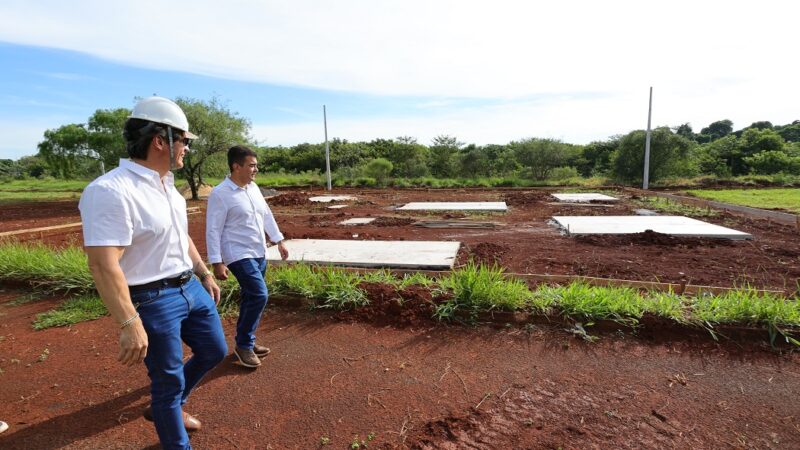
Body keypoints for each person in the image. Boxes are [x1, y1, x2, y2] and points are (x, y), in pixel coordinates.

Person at [79, 96, 227, 450]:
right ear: (160, 140)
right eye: (185, 141)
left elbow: (180, 236)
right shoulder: (111, 191)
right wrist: (129, 323)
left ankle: (173, 408)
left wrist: (204, 273)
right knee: (167, 382)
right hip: (151, 298)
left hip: (189, 286)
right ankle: (174, 430)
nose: (187, 148)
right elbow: (103, 263)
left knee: (215, 350)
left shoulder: (167, 185)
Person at [206, 145, 289, 368]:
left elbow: (266, 215)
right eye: (251, 165)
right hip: (237, 253)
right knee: (259, 295)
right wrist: (217, 261)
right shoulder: (220, 193)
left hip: (259, 250)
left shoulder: (253, 188)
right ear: (236, 166)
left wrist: (278, 240)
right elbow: (213, 229)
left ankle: (246, 342)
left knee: (251, 297)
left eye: (255, 165)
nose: (256, 169)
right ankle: (244, 345)